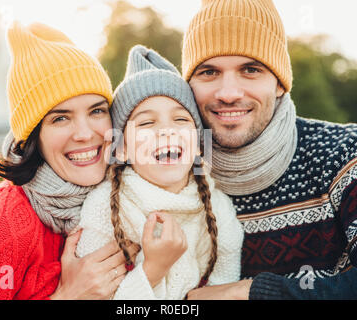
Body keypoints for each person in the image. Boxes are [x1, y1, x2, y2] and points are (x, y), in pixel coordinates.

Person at [182, 0, 357, 299]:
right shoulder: (164, 174)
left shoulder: (353, 155)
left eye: (250, 69)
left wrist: (249, 293)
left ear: (280, 83)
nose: (228, 93)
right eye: (208, 72)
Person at [0, 21, 139, 300]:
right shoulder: (3, 223)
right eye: (60, 118)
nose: (84, 134)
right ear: (34, 136)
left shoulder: (125, 202)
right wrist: (68, 296)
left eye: (96, 111)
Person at [75, 45, 244, 299]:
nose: (167, 130)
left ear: (199, 143)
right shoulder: (104, 207)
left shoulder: (217, 208)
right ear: (121, 149)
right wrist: (153, 269)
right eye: (146, 122)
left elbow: (224, 287)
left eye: (181, 119)